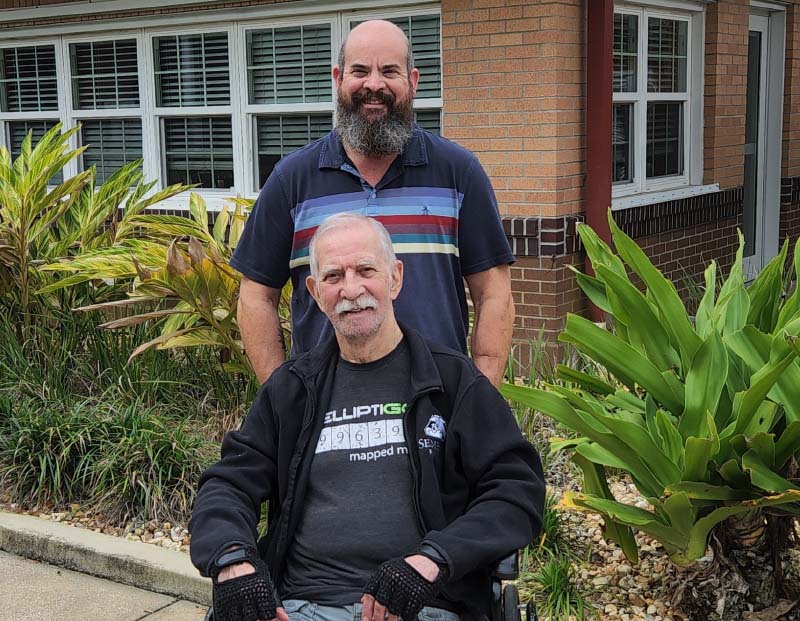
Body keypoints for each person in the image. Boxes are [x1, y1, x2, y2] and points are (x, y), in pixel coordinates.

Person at [191, 213, 544, 621]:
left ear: (395, 278)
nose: (351, 289)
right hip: (302, 606)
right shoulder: (292, 390)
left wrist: (433, 560)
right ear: (315, 291)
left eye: (365, 270)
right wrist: (233, 560)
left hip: (423, 605)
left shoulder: (452, 382)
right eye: (334, 276)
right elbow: (227, 483)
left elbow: (518, 490)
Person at [231, 19, 515, 386]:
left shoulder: (458, 173)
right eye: (360, 71)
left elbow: (494, 293)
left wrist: (480, 397)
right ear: (338, 79)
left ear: (412, 81)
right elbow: (255, 296)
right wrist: (281, 397)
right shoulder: (292, 180)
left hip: (438, 402)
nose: (374, 85)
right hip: (324, 410)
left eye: (389, 71)